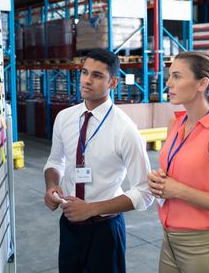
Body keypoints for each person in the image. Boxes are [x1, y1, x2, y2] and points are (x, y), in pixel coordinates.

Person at [43, 48, 153, 273]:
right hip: (70, 225)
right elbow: (55, 162)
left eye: (97, 75)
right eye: (84, 72)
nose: (87, 80)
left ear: (113, 83)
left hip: (105, 229)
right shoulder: (65, 118)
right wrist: (52, 185)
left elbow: (145, 192)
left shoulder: (125, 130)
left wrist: (91, 209)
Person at [147, 51, 209, 273]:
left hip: (202, 245)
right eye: (169, 76)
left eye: (177, 76)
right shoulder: (175, 123)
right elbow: (179, 175)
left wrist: (179, 190)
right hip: (168, 241)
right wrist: (160, 182)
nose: (169, 83)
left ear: (202, 83)